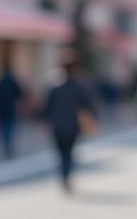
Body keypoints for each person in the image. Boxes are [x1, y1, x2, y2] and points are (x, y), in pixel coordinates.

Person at [42, 56, 97, 194]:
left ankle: (64, 175)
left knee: (61, 153)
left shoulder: (55, 86)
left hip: (57, 125)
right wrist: (94, 120)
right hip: (73, 125)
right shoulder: (79, 86)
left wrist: (43, 120)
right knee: (69, 152)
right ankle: (66, 176)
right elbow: (88, 106)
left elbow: (47, 106)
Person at [0, 66, 25, 158]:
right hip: (10, 108)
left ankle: (6, 142)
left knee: (3, 127)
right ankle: (8, 143)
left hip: (1, 109)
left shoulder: (0, 83)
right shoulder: (12, 82)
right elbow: (20, 93)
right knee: (9, 126)